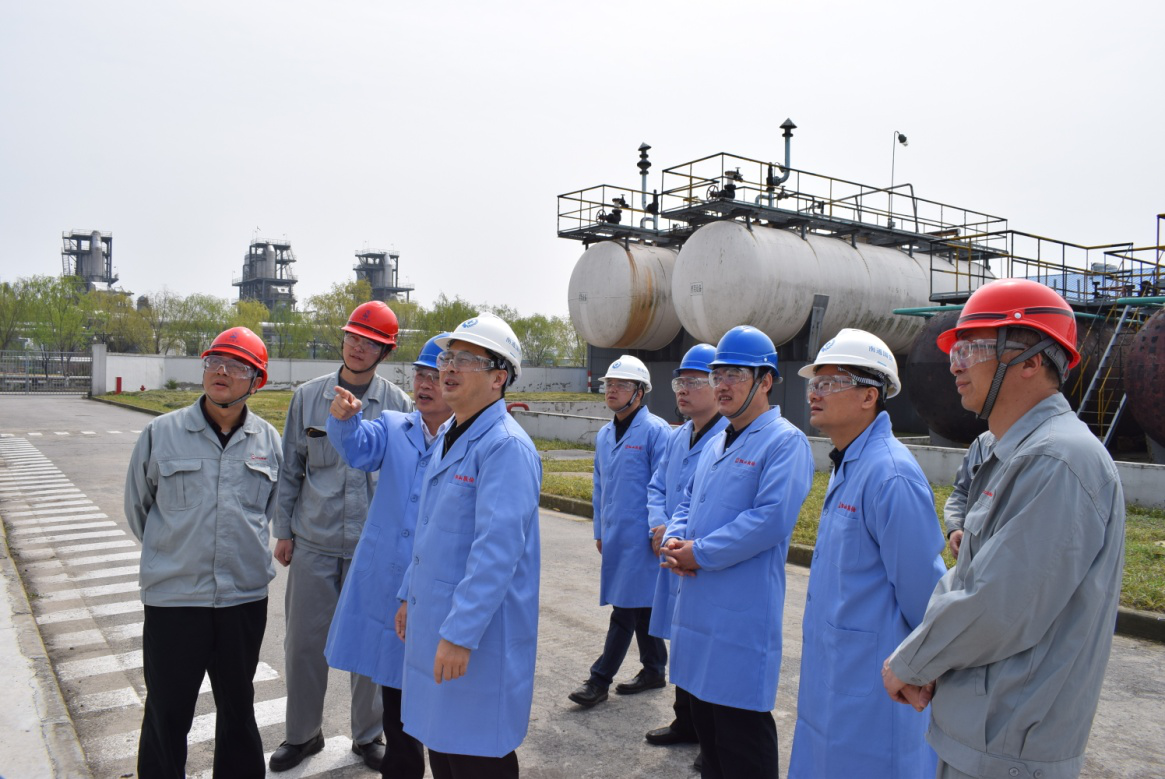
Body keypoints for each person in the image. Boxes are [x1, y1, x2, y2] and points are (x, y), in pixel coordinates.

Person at [882, 279, 1126, 779]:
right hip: (982, 727)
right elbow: (971, 571)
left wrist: (911, 663)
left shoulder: (1059, 460)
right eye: (955, 351)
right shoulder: (1010, 451)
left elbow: (999, 603)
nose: (954, 365)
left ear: (1032, 360)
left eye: (970, 349)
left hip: (1011, 740)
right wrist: (932, 658)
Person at [380, 312, 541, 779]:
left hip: (474, 637)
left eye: (466, 360)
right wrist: (408, 595)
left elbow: (496, 552)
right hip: (437, 622)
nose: (449, 368)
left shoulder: (505, 447)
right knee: (444, 749)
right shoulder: (452, 435)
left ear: (498, 378)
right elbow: (430, 529)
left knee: (476, 754)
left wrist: (460, 635)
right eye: (448, 357)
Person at [788, 328, 946, 779]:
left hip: (873, 683)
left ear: (868, 396)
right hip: (837, 673)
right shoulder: (851, 462)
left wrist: (923, 667)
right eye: (815, 382)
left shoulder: (890, 475)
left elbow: (924, 593)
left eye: (830, 383)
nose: (815, 393)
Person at [125, 326, 282, 779]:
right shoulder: (161, 433)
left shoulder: (268, 441)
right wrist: (175, 554)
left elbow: (269, 512)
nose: (221, 372)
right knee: (167, 712)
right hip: (175, 601)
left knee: (238, 709)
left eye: (236, 367)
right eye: (215, 362)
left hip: (242, 600)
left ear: (257, 381)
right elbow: (138, 508)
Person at [661, 325, 814, 779]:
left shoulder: (784, 442)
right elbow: (687, 500)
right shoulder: (718, 441)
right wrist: (675, 539)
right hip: (699, 611)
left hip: (739, 618)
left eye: (736, 375)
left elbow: (769, 520)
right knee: (710, 739)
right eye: (718, 374)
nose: (722, 385)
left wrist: (700, 553)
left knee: (742, 737)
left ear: (765, 381)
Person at [269, 301, 412, 772]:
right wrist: (284, 530)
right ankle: (302, 734)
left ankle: (368, 735)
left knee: (370, 644)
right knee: (303, 644)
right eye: (352, 337)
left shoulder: (398, 407)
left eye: (370, 342)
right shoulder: (309, 397)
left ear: (385, 351)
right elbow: (291, 468)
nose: (357, 347)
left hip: (373, 549)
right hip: (314, 541)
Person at [325, 333, 454, 779]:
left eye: (436, 376)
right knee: (395, 696)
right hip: (388, 580)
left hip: (434, 585)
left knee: (436, 698)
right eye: (420, 375)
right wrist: (344, 420)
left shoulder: (464, 439)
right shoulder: (395, 426)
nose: (425, 384)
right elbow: (358, 447)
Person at [568, 355, 672, 709]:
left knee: (624, 609)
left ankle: (599, 680)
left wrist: (660, 528)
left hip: (644, 538)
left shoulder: (657, 431)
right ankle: (654, 668)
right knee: (640, 604)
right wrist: (600, 529)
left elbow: (665, 486)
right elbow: (599, 485)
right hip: (616, 536)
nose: (612, 390)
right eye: (609, 384)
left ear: (639, 392)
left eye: (622, 385)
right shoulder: (604, 434)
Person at [643, 344, 727, 755]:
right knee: (682, 640)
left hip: (700, 558)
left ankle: (710, 738)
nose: (683, 390)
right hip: (673, 550)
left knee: (707, 649)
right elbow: (658, 485)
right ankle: (686, 721)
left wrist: (678, 536)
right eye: (680, 382)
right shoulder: (678, 437)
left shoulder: (727, 439)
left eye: (694, 382)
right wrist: (659, 524)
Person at [943, 430, 995, 559]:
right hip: (973, 554)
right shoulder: (981, 442)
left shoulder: (1037, 447)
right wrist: (955, 527)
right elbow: (962, 491)